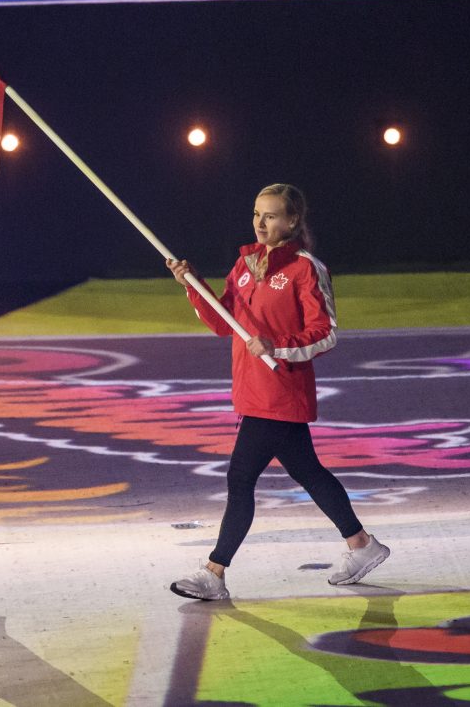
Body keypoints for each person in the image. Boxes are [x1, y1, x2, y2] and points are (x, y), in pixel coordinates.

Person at [165, 183, 388, 600]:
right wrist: (192, 285)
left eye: (270, 215)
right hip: (252, 389)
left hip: (281, 391)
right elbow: (223, 322)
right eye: (256, 214)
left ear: (292, 220)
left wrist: (276, 346)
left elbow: (325, 333)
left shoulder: (306, 268)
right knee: (308, 472)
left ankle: (214, 571)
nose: (260, 222)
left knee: (240, 478)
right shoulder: (245, 264)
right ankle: (361, 544)